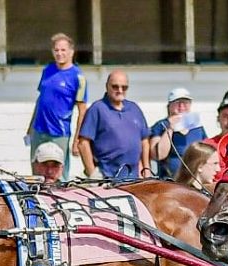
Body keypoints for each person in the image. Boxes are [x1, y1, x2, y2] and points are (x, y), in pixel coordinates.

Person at [26, 33, 87, 180]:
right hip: (39, 130)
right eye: (56, 50)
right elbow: (41, 99)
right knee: (37, 172)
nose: (59, 53)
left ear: (71, 52)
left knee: (58, 174)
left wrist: (77, 139)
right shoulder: (47, 70)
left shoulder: (78, 77)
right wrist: (30, 127)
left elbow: (82, 111)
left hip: (59, 133)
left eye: (63, 50)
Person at [77, 70, 150, 179]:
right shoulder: (97, 108)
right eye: (115, 87)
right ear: (107, 86)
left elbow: (144, 140)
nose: (120, 90)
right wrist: (92, 173)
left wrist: (146, 169)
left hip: (134, 177)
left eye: (124, 87)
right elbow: (83, 144)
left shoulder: (134, 108)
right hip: (107, 177)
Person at [149, 87, 206, 179]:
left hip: (194, 179)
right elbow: (159, 155)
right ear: (169, 105)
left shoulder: (197, 126)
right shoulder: (160, 126)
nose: (181, 106)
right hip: (169, 179)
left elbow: (207, 152)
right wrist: (170, 128)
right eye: (177, 103)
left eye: (185, 102)